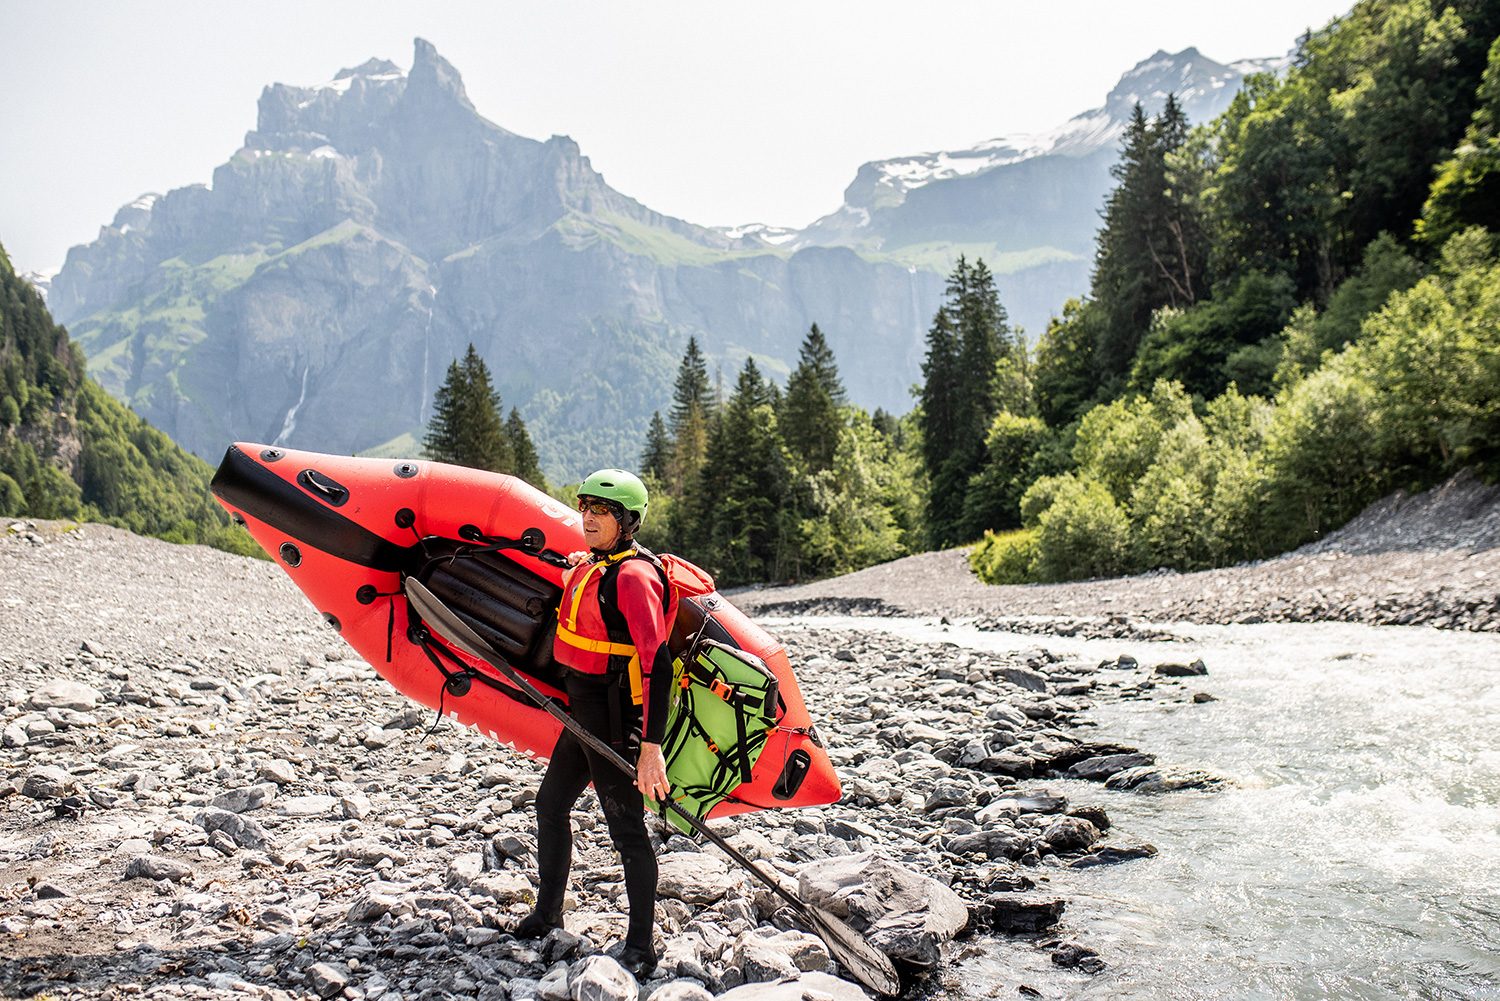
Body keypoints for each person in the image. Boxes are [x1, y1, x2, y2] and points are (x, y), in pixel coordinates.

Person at [511, 468, 672, 978]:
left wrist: (650, 747)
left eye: (601, 512)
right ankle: (548, 912)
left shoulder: (633, 577)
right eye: (585, 508)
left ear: (627, 522)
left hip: (613, 716)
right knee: (550, 804)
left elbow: (659, 663)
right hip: (582, 709)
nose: (588, 518)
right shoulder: (598, 566)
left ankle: (642, 947)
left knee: (626, 828)